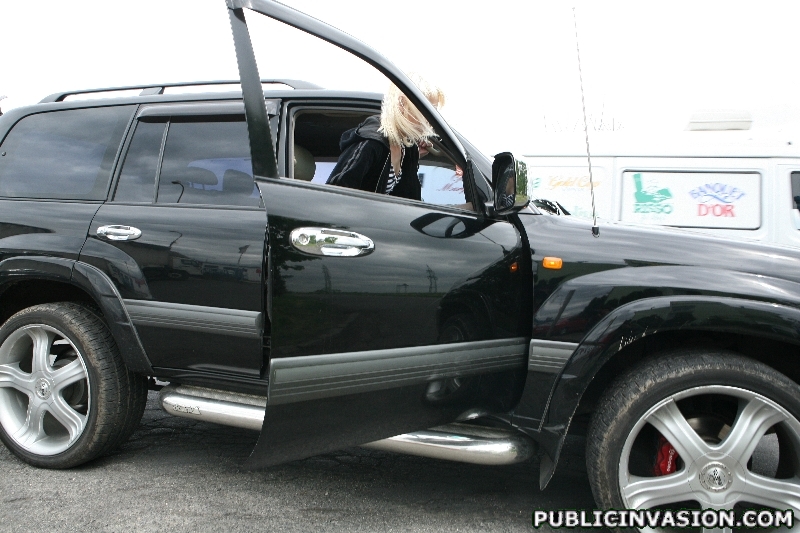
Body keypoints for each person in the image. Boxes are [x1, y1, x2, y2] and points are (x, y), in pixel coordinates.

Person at [326, 74, 444, 201]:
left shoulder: (405, 147)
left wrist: (413, 157)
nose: (430, 120)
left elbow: (410, 201)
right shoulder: (371, 144)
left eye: (434, 111)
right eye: (426, 111)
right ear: (402, 103)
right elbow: (334, 196)